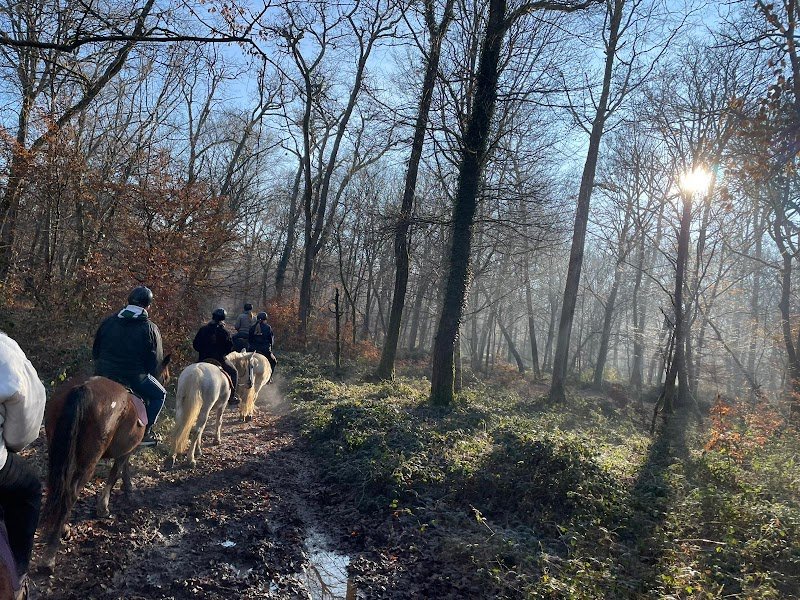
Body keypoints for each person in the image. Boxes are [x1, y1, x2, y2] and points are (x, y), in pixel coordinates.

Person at [0, 333, 46, 600]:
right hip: (132, 377)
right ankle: (18, 578)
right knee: (29, 489)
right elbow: (23, 430)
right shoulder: (4, 349)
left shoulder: (112, 325)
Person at [93, 285, 166, 447]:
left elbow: (95, 351)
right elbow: (155, 363)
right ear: (148, 306)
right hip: (134, 377)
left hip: (104, 373)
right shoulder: (150, 328)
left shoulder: (108, 322)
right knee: (160, 395)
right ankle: (146, 432)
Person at [192, 308, 239, 404]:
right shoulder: (225, 332)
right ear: (223, 318)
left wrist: (203, 351)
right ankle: (232, 397)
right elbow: (229, 348)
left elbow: (196, 345)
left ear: (212, 316)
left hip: (203, 359)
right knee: (234, 372)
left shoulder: (203, 329)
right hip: (219, 360)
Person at [249, 311, 277, 381]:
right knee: (274, 362)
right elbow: (271, 340)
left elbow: (249, 340)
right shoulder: (268, 327)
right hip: (264, 350)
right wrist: (271, 349)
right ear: (265, 319)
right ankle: (269, 378)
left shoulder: (252, 327)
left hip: (252, 350)